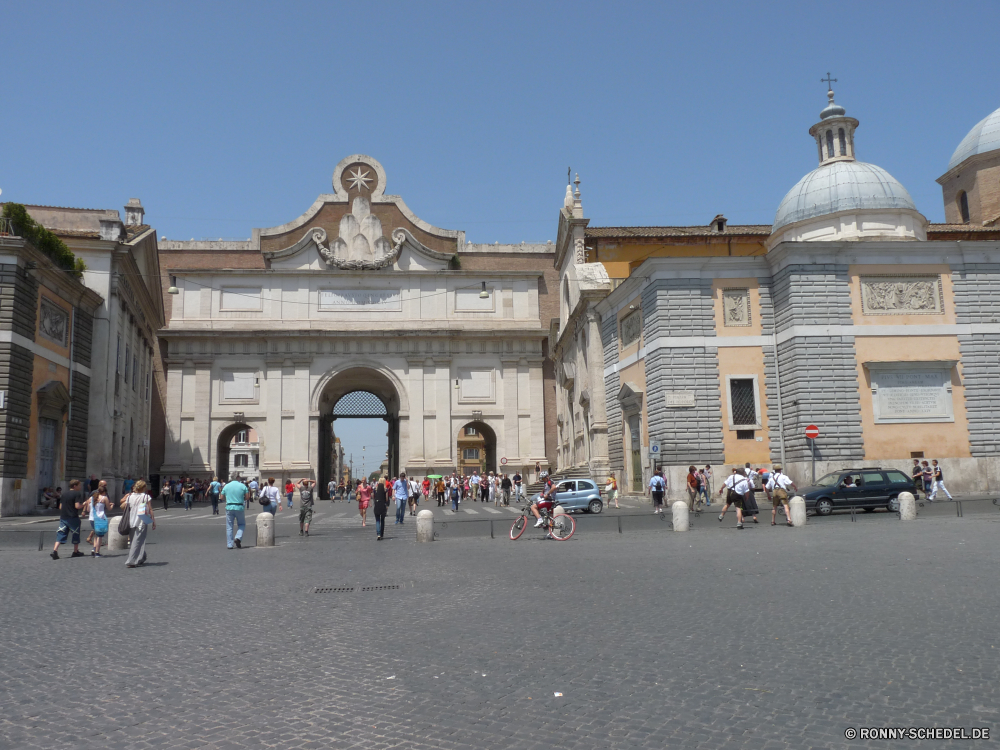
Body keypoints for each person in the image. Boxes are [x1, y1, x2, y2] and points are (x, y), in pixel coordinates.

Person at [121, 480, 155, 567]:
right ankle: (131, 561)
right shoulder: (146, 497)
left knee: (135, 541)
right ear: (144, 488)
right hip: (142, 520)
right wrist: (153, 521)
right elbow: (150, 509)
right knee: (137, 540)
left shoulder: (130, 496)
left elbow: (123, 505)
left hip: (131, 520)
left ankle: (141, 557)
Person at [51, 479, 87, 559]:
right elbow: (77, 506)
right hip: (73, 517)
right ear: (75, 486)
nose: (80, 486)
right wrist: (84, 504)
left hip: (63, 517)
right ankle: (75, 551)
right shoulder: (77, 494)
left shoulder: (64, 494)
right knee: (75, 533)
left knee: (61, 533)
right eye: (79, 485)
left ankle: (55, 551)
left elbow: (60, 507)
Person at [222, 475, 248, 549]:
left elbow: (221, 497)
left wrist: (228, 499)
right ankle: (238, 537)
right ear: (238, 477)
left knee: (229, 526)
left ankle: (230, 544)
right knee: (242, 524)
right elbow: (247, 497)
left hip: (229, 507)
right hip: (239, 507)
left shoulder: (226, 486)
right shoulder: (242, 486)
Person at [85, 485, 112, 556]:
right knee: (99, 536)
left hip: (92, 518)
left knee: (96, 535)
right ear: (104, 492)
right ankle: (97, 552)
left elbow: (88, 510)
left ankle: (94, 548)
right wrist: (112, 505)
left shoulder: (91, 498)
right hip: (100, 518)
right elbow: (109, 508)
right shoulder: (104, 498)